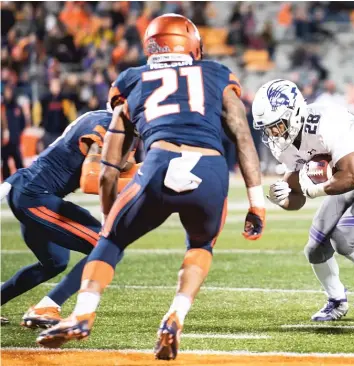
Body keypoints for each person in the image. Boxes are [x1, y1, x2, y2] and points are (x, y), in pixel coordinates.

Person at [37, 14, 265, 360]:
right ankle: (176, 315)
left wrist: (111, 219)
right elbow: (243, 136)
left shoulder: (132, 79)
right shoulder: (216, 73)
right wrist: (256, 203)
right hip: (210, 167)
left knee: (111, 240)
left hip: (158, 162)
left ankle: (83, 312)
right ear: (192, 45)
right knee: (201, 245)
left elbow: (108, 169)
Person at [252, 79, 354, 321]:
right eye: (268, 129)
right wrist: (282, 198)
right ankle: (336, 301)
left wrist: (314, 190)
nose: (273, 133)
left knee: (344, 239)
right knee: (315, 248)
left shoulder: (325, 122)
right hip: (344, 179)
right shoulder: (282, 144)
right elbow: (297, 197)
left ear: (294, 113)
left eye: (277, 125)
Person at [0, 110, 135, 327]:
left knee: (55, 262)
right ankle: (47, 306)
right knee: (107, 246)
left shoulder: (116, 124)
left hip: (33, 192)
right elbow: (91, 179)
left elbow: (123, 168)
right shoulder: (105, 125)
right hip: (35, 197)